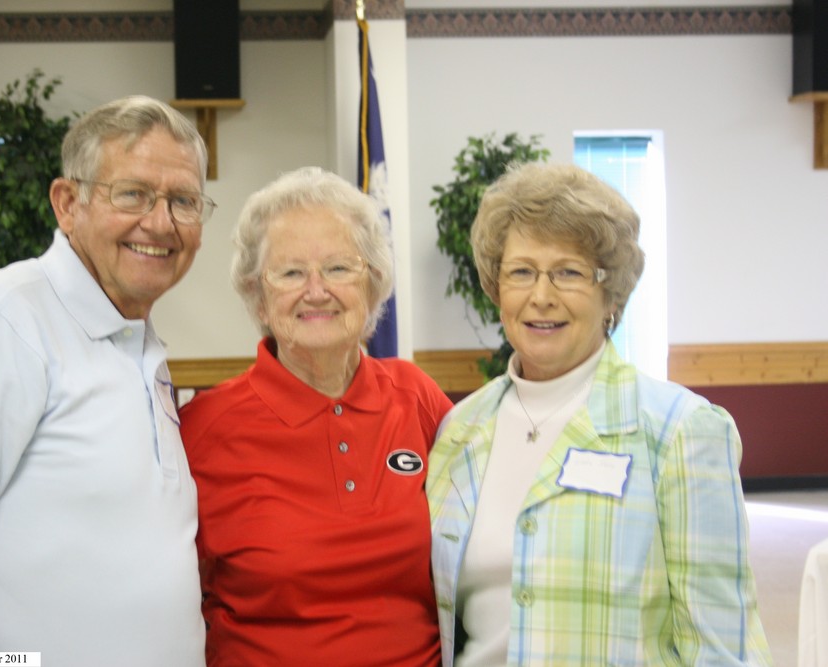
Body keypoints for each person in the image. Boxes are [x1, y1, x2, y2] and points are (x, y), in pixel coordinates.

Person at [0, 96, 214, 666]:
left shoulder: (139, 341)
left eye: (184, 201)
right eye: (132, 194)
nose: (160, 222)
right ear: (67, 203)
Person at [427, 162, 773, 666]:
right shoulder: (460, 430)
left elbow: (725, 646)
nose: (541, 296)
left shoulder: (680, 431)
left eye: (568, 272)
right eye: (521, 271)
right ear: (496, 286)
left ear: (610, 294)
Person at [179, 166, 452, 666]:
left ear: (372, 284)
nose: (317, 290)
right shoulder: (203, 429)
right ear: (258, 298)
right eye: (290, 272)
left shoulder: (418, 398)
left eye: (339, 268)